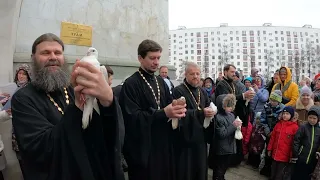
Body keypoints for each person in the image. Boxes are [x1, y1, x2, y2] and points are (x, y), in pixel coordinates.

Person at [11, 33, 125, 180]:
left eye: (58, 52)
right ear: (33, 58)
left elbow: (103, 133)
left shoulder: (73, 89)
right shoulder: (23, 99)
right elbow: (40, 148)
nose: (53, 57)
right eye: (45, 52)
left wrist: (107, 101)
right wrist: (77, 107)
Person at [119, 39, 186, 180]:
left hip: (162, 145)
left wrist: (176, 109)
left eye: (158, 58)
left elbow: (168, 105)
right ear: (140, 58)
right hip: (143, 150)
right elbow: (131, 118)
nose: (156, 62)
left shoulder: (160, 81)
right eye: (152, 58)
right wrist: (162, 113)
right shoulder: (131, 84)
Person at [172, 62, 214, 180]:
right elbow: (179, 113)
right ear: (185, 74)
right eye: (192, 74)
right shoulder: (178, 91)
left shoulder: (202, 91)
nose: (195, 76)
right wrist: (201, 113)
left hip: (200, 138)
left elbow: (208, 106)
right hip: (185, 139)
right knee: (186, 171)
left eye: (198, 73)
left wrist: (211, 111)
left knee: (200, 169)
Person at [212, 94, 241, 180]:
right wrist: (234, 126)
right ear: (222, 106)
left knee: (224, 166)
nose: (231, 108)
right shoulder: (218, 117)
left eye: (232, 106)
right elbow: (222, 134)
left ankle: (220, 177)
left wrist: (238, 127)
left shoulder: (231, 115)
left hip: (230, 146)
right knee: (219, 167)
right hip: (222, 148)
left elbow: (233, 127)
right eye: (228, 106)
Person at [267, 106, 299, 180]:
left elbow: (294, 143)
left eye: (287, 114)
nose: (285, 115)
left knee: (280, 174)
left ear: (291, 115)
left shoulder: (295, 127)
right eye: (284, 113)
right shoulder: (278, 124)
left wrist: (292, 155)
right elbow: (273, 138)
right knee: (273, 171)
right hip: (275, 153)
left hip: (285, 156)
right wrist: (269, 149)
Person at [292, 106, 320, 180]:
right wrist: (296, 153)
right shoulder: (303, 127)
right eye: (310, 117)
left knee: (307, 176)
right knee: (297, 175)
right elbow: (296, 140)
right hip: (301, 158)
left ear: (318, 119)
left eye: (314, 118)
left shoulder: (319, 129)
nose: (312, 120)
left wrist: (318, 152)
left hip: (312, 159)